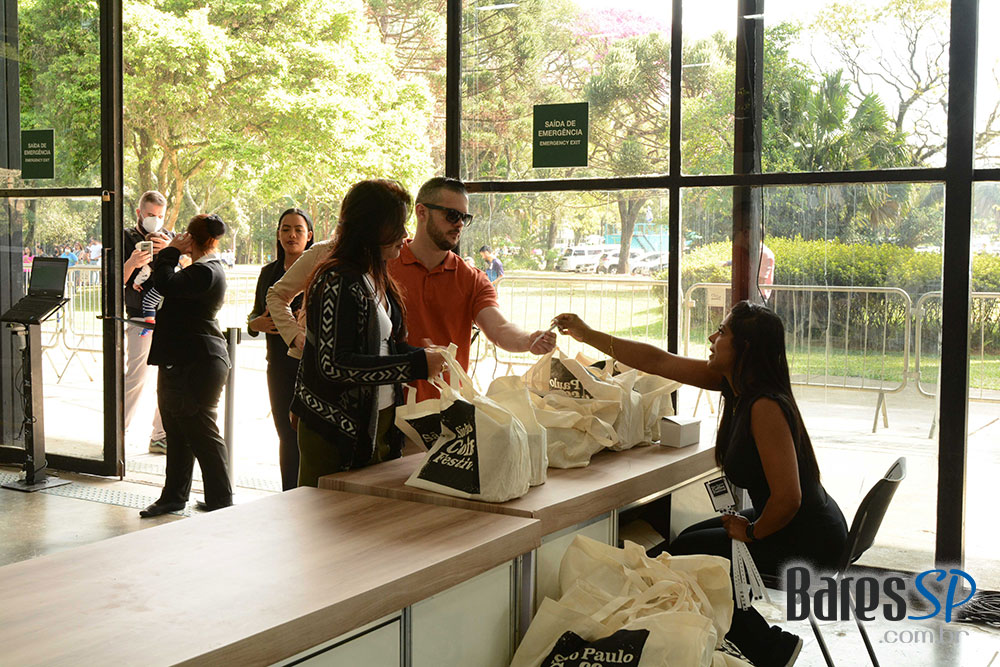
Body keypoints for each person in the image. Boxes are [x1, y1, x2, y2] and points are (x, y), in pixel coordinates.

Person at [552, 301, 848, 667]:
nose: (711, 337)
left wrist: (751, 533)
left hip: (807, 537)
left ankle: (771, 649)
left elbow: (788, 498)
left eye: (722, 332)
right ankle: (749, 641)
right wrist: (587, 335)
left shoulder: (765, 406)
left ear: (745, 348)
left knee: (689, 557)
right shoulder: (736, 386)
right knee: (687, 543)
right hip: (793, 521)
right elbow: (657, 361)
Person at [266, 176, 555, 404]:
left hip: (436, 409)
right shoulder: (363, 265)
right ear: (421, 212)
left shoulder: (471, 278)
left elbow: (498, 327)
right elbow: (334, 363)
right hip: (368, 411)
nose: (459, 225)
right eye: (452, 215)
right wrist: (296, 337)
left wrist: (528, 340)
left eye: (464, 218)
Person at [289, 179, 445, 487]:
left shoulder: (376, 276)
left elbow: (384, 349)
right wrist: (415, 365)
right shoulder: (336, 281)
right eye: (397, 225)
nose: (405, 234)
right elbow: (334, 365)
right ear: (372, 227)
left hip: (377, 423)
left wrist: (423, 357)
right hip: (334, 431)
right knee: (331, 516)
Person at [139, 214, 232, 517]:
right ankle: (174, 496)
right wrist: (172, 256)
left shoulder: (205, 271)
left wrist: (171, 251)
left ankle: (221, 498)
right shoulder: (203, 270)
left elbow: (165, 283)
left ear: (191, 238)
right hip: (185, 359)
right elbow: (164, 283)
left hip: (197, 361)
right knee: (177, 429)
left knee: (200, 429)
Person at [247, 208, 314, 491]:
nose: (292, 235)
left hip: (309, 365)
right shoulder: (269, 273)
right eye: (286, 229)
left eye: (298, 230)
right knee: (286, 434)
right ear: (277, 234)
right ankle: (289, 494)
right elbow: (254, 317)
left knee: (308, 435)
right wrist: (256, 323)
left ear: (310, 236)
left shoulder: (318, 270)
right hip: (278, 366)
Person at [123, 191, 172, 453]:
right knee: (137, 376)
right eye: (151, 214)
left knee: (168, 379)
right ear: (139, 213)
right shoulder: (124, 237)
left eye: (160, 216)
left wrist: (172, 253)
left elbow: (186, 271)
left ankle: (160, 435)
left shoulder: (169, 238)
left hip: (169, 317)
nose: (155, 220)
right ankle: (118, 432)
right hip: (139, 318)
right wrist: (132, 262)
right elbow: (113, 280)